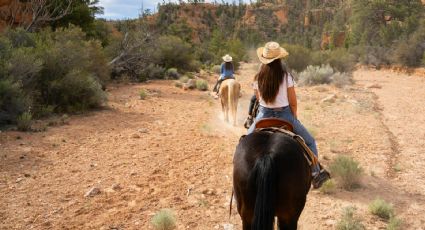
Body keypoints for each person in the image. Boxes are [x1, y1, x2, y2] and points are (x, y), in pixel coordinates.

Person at [247, 41, 330, 189]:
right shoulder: (286, 77)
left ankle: (241, 179)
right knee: (310, 142)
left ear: (264, 59)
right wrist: (294, 118)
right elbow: (293, 102)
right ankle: (315, 174)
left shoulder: (257, 77)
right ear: (279, 59)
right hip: (284, 115)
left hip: (263, 116)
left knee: (245, 141)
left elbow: (258, 100)